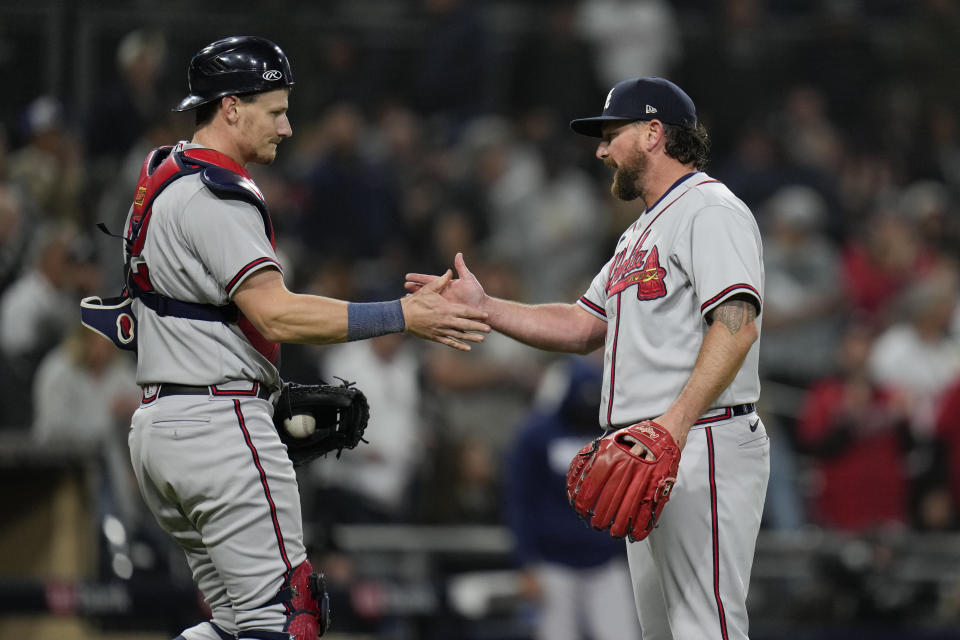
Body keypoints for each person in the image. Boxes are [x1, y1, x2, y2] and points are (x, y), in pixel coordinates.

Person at [86, 36, 490, 640]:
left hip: (162, 428)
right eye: (274, 111)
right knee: (286, 620)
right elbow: (275, 314)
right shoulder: (218, 195)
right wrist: (402, 316)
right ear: (230, 107)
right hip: (217, 424)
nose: (288, 126)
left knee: (233, 625)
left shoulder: (160, 175)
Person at [407, 76, 769, 639]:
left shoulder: (709, 208)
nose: (601, 150)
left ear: (653, 133)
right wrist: (486, 307)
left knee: (707, 628)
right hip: (656, 444)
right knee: (664, 633)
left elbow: (736, 325)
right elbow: (580, 326)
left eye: (611, 134)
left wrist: (672, 427)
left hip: (701, 438)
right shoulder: (638, 234)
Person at [504, 356, 640, 640]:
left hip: (605, 562)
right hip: (553, 565)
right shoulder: (537, 435)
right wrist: (525, 563)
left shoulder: (613, 435)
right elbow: (519, 502)